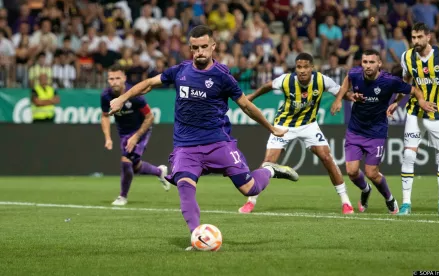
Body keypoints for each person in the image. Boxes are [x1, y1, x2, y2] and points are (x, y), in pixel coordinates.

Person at [108, 25, 299, 249]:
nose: (200, 51)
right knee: (185, 189)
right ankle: (198, 238)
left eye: (204, 47)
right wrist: (123, 98)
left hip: (218, 143)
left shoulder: (222, 76)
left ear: (213, 47)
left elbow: (246, 106)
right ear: (190, 48)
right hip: (186, 147)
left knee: (250, 189)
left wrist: (271, 128)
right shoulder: (180, 71)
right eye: (195, 48)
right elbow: (149, 83)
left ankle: (269, 169)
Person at [238, 52, 358, 215]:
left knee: (327, 157)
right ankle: (250, 202)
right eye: (299, 67)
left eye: (305, 67)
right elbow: (267, 85)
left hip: (309, 125)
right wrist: (252, 96)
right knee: (267, 163)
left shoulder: (322, 80)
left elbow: (341, 92)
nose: (302, 70)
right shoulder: (286, 80)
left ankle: (346, 202)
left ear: (312, 68)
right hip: (284, 125)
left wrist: (353, 97)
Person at [331, 49, 436, 214]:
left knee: (372, 173)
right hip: (355, 130)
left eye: (372, 62)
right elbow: (347, 80)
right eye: (365, 62)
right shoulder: (355, 74)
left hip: (376, 132)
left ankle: (389, 198)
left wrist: (421, 101)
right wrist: (339, 100)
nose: (367, 66)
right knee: (351, 172)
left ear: (379, 64)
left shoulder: (389, 81)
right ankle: (366, 190)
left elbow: (414, 90)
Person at [392, 22, 439, 215]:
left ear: (428, 37)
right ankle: (406, 203)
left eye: (419, 37)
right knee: (408, 155)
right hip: (415, 112)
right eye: (413, 37)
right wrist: (396, 101)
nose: (415, 41)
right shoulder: (407, 57)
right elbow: (405, 82)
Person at [100, 64, 170, 206]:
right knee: (135, 166)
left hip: (140, 131)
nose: (114, 81)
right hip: (123, 133)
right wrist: (107, 138)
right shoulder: (106, 96)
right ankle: (159, 172)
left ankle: (122, 196)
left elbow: (150, 117)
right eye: (111, 78)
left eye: (117, 78)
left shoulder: (134, 95)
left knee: (126, 161)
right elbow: (105, 116)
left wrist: (136, 137)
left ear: (124, 78)